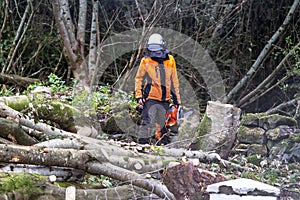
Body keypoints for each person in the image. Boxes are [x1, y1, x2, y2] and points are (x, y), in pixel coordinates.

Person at [135, 33, 181, 144]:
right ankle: (142, 145)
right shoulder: (146, 61)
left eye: (157, 51)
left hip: (165, 98)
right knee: (147, 121)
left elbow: (174, 80)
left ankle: (162, 145)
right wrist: (139, 96)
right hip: (150, 96)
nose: (155, 53)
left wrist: (177, 100)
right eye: (153, 51)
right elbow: (139, 79)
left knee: (163, 123)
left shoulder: (170, 60)